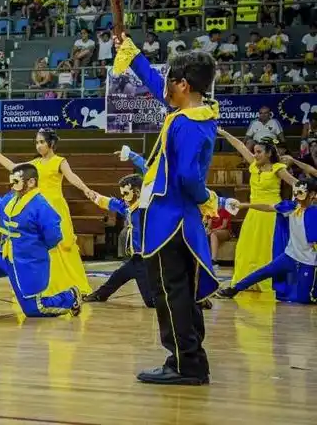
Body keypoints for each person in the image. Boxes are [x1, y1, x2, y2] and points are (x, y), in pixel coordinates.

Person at [111, 32, 220, 385]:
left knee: (170, 292)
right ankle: (191, 359)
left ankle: (184, 363)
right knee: (180, 291)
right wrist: (132, 54)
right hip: (175, 218)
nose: (166, 87)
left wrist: (205, 198)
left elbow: (188, 176)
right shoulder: (193, 112)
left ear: (184, 85)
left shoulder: (188, 124)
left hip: (170, 220)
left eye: (172, 80)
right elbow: (160, 87)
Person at [0, 164, 82, 316]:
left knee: (34, 310)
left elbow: (54, 236)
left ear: (31, 182)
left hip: (28, 260)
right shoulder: (12, 198)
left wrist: (34, 249)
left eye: (16, 182)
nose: (13, 187)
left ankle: (71, 296)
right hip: (7, 253)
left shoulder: (41, 206)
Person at [0, 129, 94, 296]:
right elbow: (14, 167)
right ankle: (47, 286)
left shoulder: (59, 161)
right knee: (42, 246)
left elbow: (71, 176)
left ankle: (72, 285)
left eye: (42, 142)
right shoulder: (35, 164)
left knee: (62, 246)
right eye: (37, 142)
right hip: (38, 208)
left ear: (51, 144)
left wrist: (85, 189)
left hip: (56, 208)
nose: (39, 145)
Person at [218, 129, 298, 291]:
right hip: (254, 213)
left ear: (269, 153)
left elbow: (297, 184)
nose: (255, 155)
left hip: (271, 215)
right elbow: (239, 145)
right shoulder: (254, 165)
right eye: (254, 152)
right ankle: (246, 281)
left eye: (259, 152)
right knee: (246, 248)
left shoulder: (278, 169)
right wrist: (224, 133)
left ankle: (266, 283)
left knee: (267, 249)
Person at [218, 179, 317, 303]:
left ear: (312, 194)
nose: (297, 196)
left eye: (301, 192)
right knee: (264, 271)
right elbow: (267, 207)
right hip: (290, 255)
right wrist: (244, 205)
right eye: (295, 192)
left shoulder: (314, 213)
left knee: (304, 300)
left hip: (308, 261)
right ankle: (234, 289)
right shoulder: (290, 207)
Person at [84, 173, 155, 308]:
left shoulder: (146, 209)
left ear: (138, 192)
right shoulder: (128, 208)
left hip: (146, 260)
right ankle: (100, 295)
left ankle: (192, 300)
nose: (123, 197)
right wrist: (95, 197)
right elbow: (113, 203)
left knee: (151, 301)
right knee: (117, 276)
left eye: (126, 193)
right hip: (135, 259)